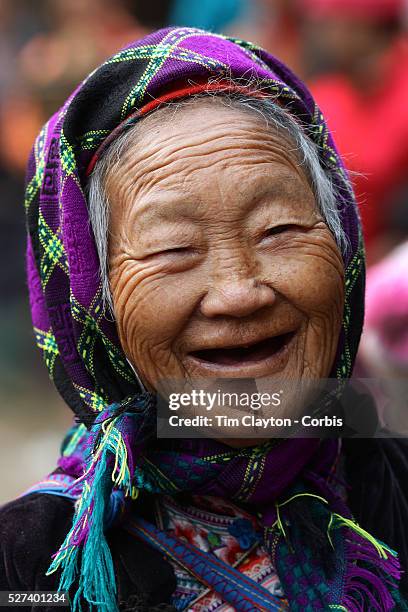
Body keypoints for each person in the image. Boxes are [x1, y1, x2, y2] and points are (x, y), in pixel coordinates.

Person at [0, 27, 407, 611]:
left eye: (280, 230)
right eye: (173, 250)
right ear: (93, 300)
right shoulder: (29, 566)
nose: (239, 294)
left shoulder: (390, 484)